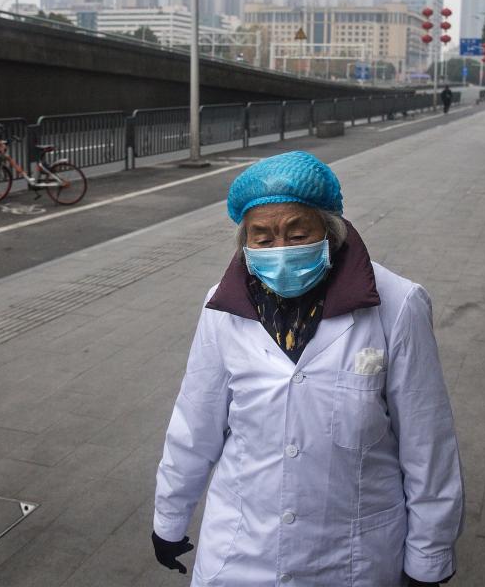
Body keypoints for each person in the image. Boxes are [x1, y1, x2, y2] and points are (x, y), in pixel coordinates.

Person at [152, 150, 464, 587]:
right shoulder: (222, 308)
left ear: (330, 232)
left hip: (351, 559)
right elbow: (194, 424)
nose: (279, 250)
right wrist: (170, 517)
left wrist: (428, 556)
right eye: (262, 238)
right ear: (245, 242)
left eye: (297, 234)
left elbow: (427, 444)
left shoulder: (398, 304)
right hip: (241, 554)